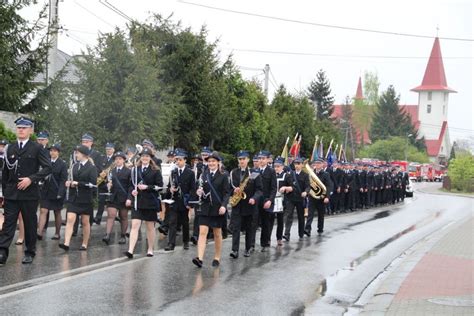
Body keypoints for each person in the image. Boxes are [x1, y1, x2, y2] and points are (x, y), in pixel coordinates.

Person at [0, 117, 51, 265]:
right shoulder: (10, 147)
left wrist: (31, 179)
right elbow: (5, 173)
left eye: (24, 127)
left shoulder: (37, 148)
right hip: (11, 193)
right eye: (19, 128)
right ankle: (2, 251)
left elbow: (48, 168)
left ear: (30, 130)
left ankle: (29, 252)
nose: (21, 130)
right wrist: (4, 194)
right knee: (8, 223)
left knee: (29, 223)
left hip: (29, 194)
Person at [192, 151, 230, 268]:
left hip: (217, 208)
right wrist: (198, 192)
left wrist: (224, 205)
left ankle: (217, 257)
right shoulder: (204, 174)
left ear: (218, 162)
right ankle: (200, 258)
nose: (211, 163)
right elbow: (200, 188)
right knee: (202, 232)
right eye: (209, 161)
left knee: (217, 233)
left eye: (213, 161)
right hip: (205, 207)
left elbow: (226, 193)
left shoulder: (223, 175)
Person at [124, 148, 163, 259]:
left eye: (147, 156)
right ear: (140, 157)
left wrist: (147, 187)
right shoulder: (135, 169)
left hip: (150, 202)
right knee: (135, 225)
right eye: (143, 156)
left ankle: (150, 248)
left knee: (150, 227)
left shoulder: (155, 170)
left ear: (150, 158)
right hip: (138, 202)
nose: (145, 158)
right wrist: (132, 192)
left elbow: (159, 187)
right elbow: (131, 184)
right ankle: (130, 250)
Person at [59, 145, 98, 251]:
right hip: (74, 198)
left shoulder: (92, 167)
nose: (76, 155)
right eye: (76, 153)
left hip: (85, 198)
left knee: (85, 222)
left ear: (84, 155)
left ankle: (84, 243)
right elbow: (71, 180)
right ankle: (66, 243)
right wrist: (69, 183)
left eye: (78, 153)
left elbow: (93, 184)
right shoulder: (74, 166)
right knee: (70, 219)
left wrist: (78, 183)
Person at [229, 150, 262, 259]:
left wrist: (254, 198)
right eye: (240, 159)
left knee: (249, 228)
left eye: (244, 159)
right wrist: (233, 191)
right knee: (236, 228)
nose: (242, 161)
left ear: (248, 160)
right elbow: (229, 188)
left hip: (249, 205)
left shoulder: (254, 173)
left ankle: (248, 248)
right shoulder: (233, 172)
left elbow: (259, 190)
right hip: (237, 205)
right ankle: (235, 250)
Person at [165, 149, 195, 251]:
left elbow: (192, 189)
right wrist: (170, 189)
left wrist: (190, 202)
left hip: (184, 201)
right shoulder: (173, 172)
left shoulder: (190, 173)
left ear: (185, 160)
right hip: (174, 200)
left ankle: (186, 241)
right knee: (172, 222)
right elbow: (169, 186)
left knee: (184, 222)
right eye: (176, 160)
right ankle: (171, 243)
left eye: (180, 160)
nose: (178, 162)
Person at [37, 144, 67, 240]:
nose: (52, 152)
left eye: (54, 151)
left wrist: (60, 193)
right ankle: (39, 232)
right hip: (45, 191)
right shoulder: (46, 162)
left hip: (56, 191)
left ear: (58, 152)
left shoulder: (62, 164)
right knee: (43, 210)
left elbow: (63, 180)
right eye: (51, 151)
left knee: (57, 212)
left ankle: (57, 233)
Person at [102, 151, 131, 245]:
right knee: (111, 215)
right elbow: (108, 182)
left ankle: (123, 236)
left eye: (120, 159)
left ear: (123, 160)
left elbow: (130, 186)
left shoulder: (128, 171)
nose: (118, 161)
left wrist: (129, 198)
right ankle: (107, 235)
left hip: (123, 197)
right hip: (113, 196)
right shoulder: (111, 171)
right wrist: (108, 185)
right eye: (116, 159)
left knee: (123, 217)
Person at [282, 157, 310, 241]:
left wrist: (306, 192)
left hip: (300, 198)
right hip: (290, 198)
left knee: (301, 216)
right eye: (295, 164)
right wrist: (285, 189)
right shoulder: (290, 174)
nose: (297, 166)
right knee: (288, 216)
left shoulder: (305, 175)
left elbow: (308, 186)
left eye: (298, 164)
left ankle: (301, 233)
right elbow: (285, 184)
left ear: (302, 165)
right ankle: (287, 234)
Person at [255, 151, 277, 252]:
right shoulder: (255, 171)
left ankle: (264, 243)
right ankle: (251, 245)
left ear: (268, 160)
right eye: (259, 158)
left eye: (263, 158)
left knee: (265, 222)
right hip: (256, 200)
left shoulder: (271, 171)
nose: (261, 160)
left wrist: (270, 201)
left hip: (266, 200)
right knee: (253, 223)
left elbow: (273, 188)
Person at [305, 158, 333, 236]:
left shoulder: (325, 174)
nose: (317, 165)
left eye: (318, 163)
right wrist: (307, 192)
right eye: (315, 163)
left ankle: (320, 228)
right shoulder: (311, 173)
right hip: (312, 196)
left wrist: (327, 197)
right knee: (310, 213)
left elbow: (329, 186)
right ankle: (307, 229)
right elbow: (309, 184)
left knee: (321, 214)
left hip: (321, 197)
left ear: (322, 165)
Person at [94, 142, 115, 225]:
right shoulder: (102, 158)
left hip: (111, 183)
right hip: (102, 182)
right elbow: (98, 167)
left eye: (109, 149)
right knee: (101, 201)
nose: (108, 151)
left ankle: (113, 217)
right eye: (107, 149)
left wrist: (108, 178)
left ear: (113, 149)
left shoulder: (116, 159)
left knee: (112, 202)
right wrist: (101, 173)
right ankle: (98, 218)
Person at [272, 156, 291, 246]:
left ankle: (279, 238)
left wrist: (286, 187)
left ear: (282, 166)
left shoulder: (286, 175)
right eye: (275, 166)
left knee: (280, 220)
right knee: (270, 220)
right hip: (271, 199)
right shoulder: (271, 175)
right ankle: (267, 239)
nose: (276, 168)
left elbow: (292, 187)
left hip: (281, 200)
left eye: (278, 166)